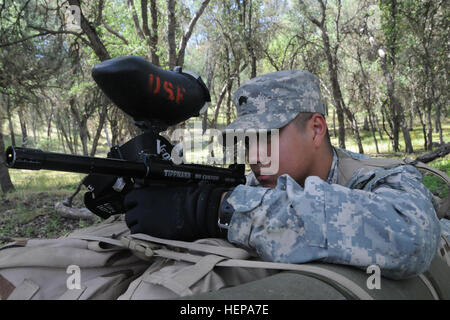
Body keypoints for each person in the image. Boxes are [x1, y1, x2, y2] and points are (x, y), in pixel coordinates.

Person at [123, 69, 442, 281]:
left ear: (316, 129)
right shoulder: (257, 184)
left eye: (267, 137)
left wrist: (218, 209)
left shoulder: (381, 179)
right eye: (246, 141)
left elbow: (410, 239)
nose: (254, 157)